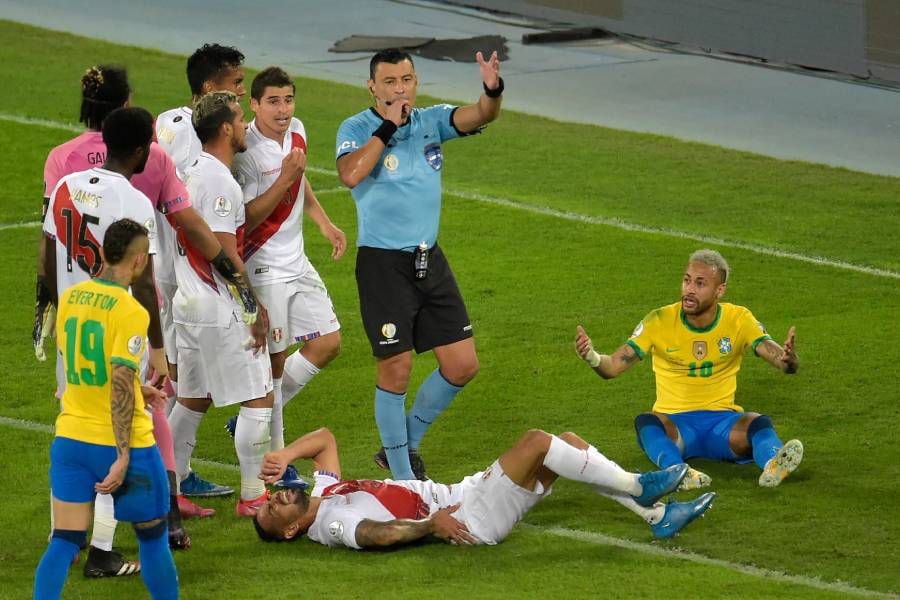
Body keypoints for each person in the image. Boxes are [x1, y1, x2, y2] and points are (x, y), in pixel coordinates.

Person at [335, 48, 504, 480]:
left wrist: (492, 88)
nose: (399, 89)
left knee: (462, 364)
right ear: (372, 86)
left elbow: (481, 115)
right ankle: (404, 478)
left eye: (406, 80)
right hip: (383, 265)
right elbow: (351, 175)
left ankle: (402, 446)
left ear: (416, 81)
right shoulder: (356, 127)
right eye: (389, 82)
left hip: (430, 259)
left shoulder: (430, 122)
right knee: (397, 366)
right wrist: (388, 125)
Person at [41, 105, 171, 572]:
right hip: (116, 328)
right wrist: (157, 348)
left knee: (76, 427)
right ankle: (99, 550)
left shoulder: (66, 186)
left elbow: (45, 256)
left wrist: (60, 313)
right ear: (140, 150)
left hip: (73, 332)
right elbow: (144, 281)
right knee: (119, 438)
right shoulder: (133, 201)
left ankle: (69, 533)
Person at [251, 427, 716, 547]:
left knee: (567, 447)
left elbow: (326, 440)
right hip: (466, 518)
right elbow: (378, 534)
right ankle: (639, 487)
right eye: (273, 513)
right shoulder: (329, 523)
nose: (275, 499)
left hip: (460, 494)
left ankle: (655, 516)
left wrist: (285, 456)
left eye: (270, 498)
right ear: (292, 531)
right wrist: (432, 526)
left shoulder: (323, 494)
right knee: (537, 443)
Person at [34, 218, 178, 599]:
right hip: (122, 445)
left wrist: (138, 388)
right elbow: (116, 380)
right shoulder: (131, 311)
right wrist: (122, 454)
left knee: (64, 541)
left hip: (71, 440)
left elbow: (87, 368)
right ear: (138, 262)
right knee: (152, 538)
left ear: (101, 253)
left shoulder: (72, 299)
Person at [574, 249, 803, 489]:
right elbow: (612, 367)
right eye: (687, 280)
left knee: (757, 422)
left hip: (723, 424)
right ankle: (680, 473)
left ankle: (774, 464)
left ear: (719, 291)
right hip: (676, 427)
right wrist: (591, 356)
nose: (689, 289)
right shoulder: (659, 320)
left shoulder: (739, 319)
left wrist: (788, 359)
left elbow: (777, 356)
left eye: (700, 283)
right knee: (647, 423)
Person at [230, 66, 345, 488]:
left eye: (288, 99)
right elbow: (244, 218)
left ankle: (251, 421)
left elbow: (301, 182)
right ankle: (277, 467)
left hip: (298, 261)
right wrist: (284, 178)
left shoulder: (298, 131)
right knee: (273, 368)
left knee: (328, 342)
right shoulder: (244, 152)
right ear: (254, 105)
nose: (283, 109)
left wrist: (323, 221)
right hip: (264, 266)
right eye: (273, 101)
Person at [167, 91, 274, 518]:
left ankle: (169, 493)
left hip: (187, 303)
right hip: (216, 305)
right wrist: (253, 308)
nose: (247, 124)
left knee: (193, 399)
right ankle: (253, 496)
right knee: (259, 396)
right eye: (241, 118)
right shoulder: (219, 183)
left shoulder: (190, 173)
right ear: (226, 129)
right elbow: (226, 254)